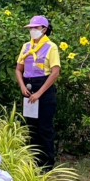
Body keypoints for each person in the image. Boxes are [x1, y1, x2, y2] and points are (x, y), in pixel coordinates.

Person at [15, 16, 60, 171]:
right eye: (30, 28)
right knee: (32, 127)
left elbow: (55, 72)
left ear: (44, 29)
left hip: (44, 88)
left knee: (45, 127)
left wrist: (39, 93)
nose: (32, 30)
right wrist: (22, 86)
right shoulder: (26, 46)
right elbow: (18, 69)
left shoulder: (51, 47)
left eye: (36, 28)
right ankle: (34, 161)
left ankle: (47, 163)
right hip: (28, 88)